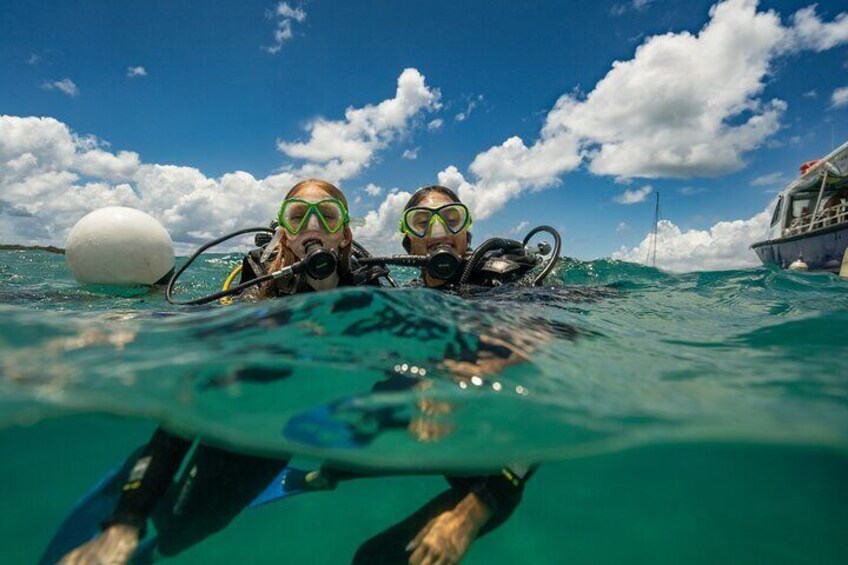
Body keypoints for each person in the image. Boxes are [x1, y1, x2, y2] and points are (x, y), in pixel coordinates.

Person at [59, 178, 385, 564]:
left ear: (345, 234)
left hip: (277, 426)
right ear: (283, 233)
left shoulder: (370, 284)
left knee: (186, 533)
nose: (312, 229)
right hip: (235, 400)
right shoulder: (258, 281)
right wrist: (124, 524)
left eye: (327, 217)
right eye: (298, 217)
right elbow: (196, 385)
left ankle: (166, 522)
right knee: (198, 397)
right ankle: (131, 505)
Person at [343, 185, 539, 564]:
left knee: (374, 560)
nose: (438, 232)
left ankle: (477, 505)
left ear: (467, 235)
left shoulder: (501, 282)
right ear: (408, 244)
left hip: (501, 455)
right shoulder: (409, 297)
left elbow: (544, 329)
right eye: (422, 222)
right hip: (444, 437)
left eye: (452, 219)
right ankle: (335, 472)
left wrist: (455, 375)